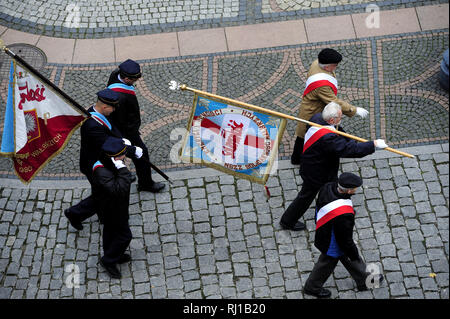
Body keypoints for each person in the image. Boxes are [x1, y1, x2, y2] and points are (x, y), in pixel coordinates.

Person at [280, 101, 387, 231]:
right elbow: (348, 150)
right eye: (340, 118)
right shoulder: (328, 139)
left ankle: (336, 210)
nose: (341, 120)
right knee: (306, 196)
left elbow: (338, 133)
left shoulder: (318, 118)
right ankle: (287, 221)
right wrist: (373, 144)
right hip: (317, 172)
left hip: (320, 166)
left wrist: (352, 141)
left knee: (332, 188)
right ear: (331, 120)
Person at [64, 89, 142, 231]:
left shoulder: (100, 114)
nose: (114, 110)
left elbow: (111, 128)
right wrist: (132, 151)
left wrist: (122, 139)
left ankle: (104, 216)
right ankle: (75, 213)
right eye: (113, 108)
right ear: (105, 107)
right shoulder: (92, 125)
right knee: (103, 195)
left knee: (102, 193)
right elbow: (107, 144)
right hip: (96, 165)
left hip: (105, 161)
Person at [303, 172, 384, 298]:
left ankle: (365, 280)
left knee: (346, 256)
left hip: (325, 227)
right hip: (332, 239)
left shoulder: (328, 187)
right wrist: (354, 252)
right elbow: (345, 240)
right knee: (330, 260)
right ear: (349, 191)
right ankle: (312, 287)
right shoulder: (344, 216)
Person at [291, 48, 369, 165]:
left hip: (318, 107)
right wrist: (353, 110)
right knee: (304, 136)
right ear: (327, 67)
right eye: (335, 65)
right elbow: (334, 101)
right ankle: (297, 159)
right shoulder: (322, 86)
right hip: (313, 111)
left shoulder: (317, 63)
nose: (336, 68)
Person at [107, 59, 165, 193]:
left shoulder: (116, 74)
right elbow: (123, 120)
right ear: (126, 78)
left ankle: (120, 175)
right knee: (141, 154)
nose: (135, 82)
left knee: (116, 154)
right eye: (134, 79)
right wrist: (132, 134)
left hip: (120, 127)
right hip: (125, 131)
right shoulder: (120, 97)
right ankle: (145, 184)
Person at [93, 136, 134, 279]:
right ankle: (108, 260)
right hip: (112, 208)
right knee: (125, 236)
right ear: (115, 158)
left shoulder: (108, 160)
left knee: (110, 232)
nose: (125, 156)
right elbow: (120, 189)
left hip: (114, 206)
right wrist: (123, 170)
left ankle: (114, 253)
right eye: (122, 155)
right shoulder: (102, 171)